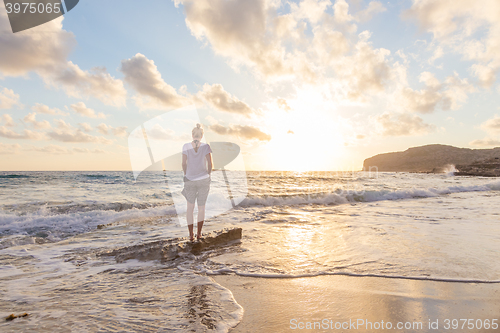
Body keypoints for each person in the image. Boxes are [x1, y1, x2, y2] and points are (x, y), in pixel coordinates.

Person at [181, 124, 213, 241]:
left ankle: (191, 235)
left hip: (190, 180)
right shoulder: (206, 147)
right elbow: (210, 164)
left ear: (192, 135)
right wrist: (208, 175)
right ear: (202, 136)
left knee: (190, 208)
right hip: (203, 180)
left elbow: (184, 163)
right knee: (201, 208)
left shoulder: (186, 146)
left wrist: (186, 174)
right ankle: (199, 234)